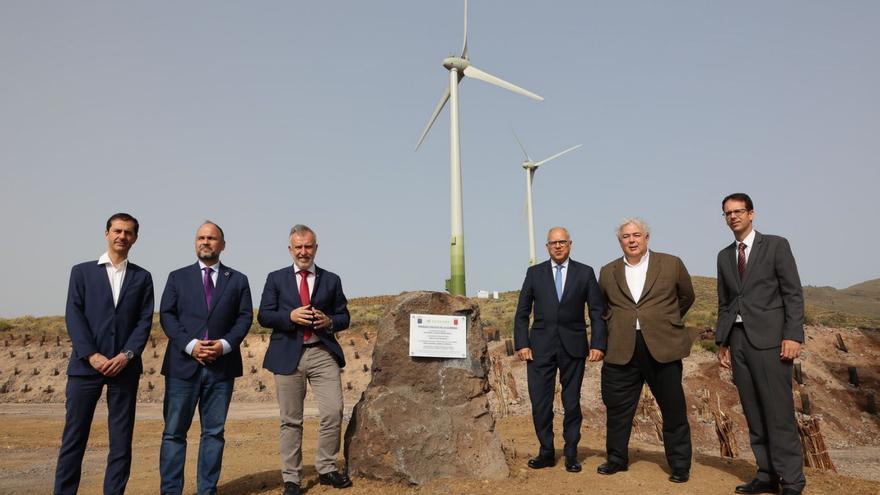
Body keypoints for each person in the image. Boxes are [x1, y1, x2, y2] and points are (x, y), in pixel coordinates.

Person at [54, 213, 155, 494]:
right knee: (74, 438)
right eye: (117, 231)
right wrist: (91, 355)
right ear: (107, 234)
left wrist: (127, 355)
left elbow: (143, 322)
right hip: (85, 369)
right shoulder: (82, 272)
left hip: (124, 370)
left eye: (128, 232)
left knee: (121, 442)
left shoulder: (143, 277)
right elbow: (74, 316)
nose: (122, 236)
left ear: (135, 238)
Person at [716, 193, 806, 495]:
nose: (733, 217)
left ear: (751, 214)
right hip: (738, 340)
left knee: (778, 413)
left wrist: (793, 335)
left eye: (738, 211)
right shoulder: (724, 255)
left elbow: (793, 292)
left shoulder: (777, 245)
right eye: (727, 213)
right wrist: (723, 342)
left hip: (771, 341)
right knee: (753, 411)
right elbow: (725, 302)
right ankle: (767, 475)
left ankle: (792, 481)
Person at [596, 218, 695, 482]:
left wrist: (664, 320)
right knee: (618, 409)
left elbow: (687, 296)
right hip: (622, 347)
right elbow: (603, 306)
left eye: (637, 235)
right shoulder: (607, 271)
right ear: (620, 242)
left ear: (647, 238)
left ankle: (680, 465)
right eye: (626, 236)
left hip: (663, 346)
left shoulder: (672, 263)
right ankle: (616, 459)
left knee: (673, 408)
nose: (632, 240)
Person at [158, 221, 253, 495]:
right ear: (195, 243)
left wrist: (223, 345)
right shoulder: (177, 277)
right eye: (201, 237)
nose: (206, 242)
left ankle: (207, 490)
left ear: (222, 245)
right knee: (174, 433)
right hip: (182, 367)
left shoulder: (238, 280)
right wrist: (190, 345)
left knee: (213, 434)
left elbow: (245, 317)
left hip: (221, 368)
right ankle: (171, 491)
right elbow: (167, 315)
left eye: (212, 238)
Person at [258, 225, 352, 495]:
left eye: (308, 246)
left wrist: (330, 321)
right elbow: (264, 316)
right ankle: (292, 478)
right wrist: (289, 317)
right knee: (291, 420)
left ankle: (326, 467)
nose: (303, 251)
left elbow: (344, 317)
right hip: (287, 353)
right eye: (298, 247)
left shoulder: (332, 279)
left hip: (322, 352)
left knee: (333, 411)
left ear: (316, 248)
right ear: (290, 249)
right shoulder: (275, 279)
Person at [513, 226, 607, 473]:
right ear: (547, 246)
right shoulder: (534, 273)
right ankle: (546, 452)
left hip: (574, 347)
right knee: (540, 403)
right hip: (539, 348)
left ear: (570, 244)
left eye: (562, 242)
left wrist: (597, 343)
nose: (557, 246)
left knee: (572, 402)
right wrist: (522, 343)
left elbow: (597, 312)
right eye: (553, 243)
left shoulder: (585, 273)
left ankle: (571, 454)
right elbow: (522, 312)